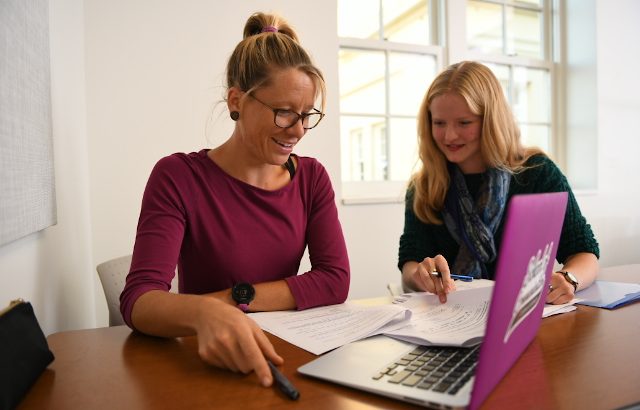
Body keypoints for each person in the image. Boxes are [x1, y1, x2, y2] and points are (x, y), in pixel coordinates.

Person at [119, 12, 350, 388]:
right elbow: (139, 300)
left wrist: (232, 300)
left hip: (284, 357)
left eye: (307, 115)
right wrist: (202, 314)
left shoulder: (312, 178)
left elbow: (335, 280)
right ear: (237, 100)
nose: (298, 131)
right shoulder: (177, 177)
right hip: (206, 361)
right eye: (284, 113)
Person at [398, 61, 599, 306]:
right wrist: (420, 274)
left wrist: (568, 278)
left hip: (523, 321)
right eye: (439, 123)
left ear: (491, 120)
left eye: (464, 123)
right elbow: (410, 263)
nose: (450, 136)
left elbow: (584, 252)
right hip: (449, 320)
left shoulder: (537, 174)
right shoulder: (424, 186)